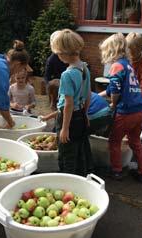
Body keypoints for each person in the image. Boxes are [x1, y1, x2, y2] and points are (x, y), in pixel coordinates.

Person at [98, 33, 142, 183]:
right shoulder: (128, 65)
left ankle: (116, 171)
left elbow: (115, 89)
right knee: (135, 141)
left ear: (112, 50)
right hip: (140, 110)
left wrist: (113, 104)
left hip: (126, 112)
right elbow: (112, 88)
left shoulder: (117, 65)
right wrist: (97, 95)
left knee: (114, 141)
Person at [50, 29, 92, 176]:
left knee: (66, 153)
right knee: (79, 150)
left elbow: (68, 104)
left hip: (68, 118)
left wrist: (65, 128)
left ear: (64, 53)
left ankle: (66, 179)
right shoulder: (85, 68)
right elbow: (88, 95)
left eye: (58, 53)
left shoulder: (67, 75)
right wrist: (85, 114)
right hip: (80, 115)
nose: (58, 56)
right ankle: (80, 178)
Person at [41, 92, 112, 136]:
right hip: (108, 113)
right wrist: (46, 118)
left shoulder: (70, 95)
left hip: (97, 115)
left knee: (72, 131)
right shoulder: (82, 90)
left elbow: (64, 111)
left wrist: (46, 118)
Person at [44, 31, 68, 111]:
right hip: (57, 85)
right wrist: (50, 86)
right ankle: (54, 105)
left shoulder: (69, 57)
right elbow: (47, 76)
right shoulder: (51, 59)